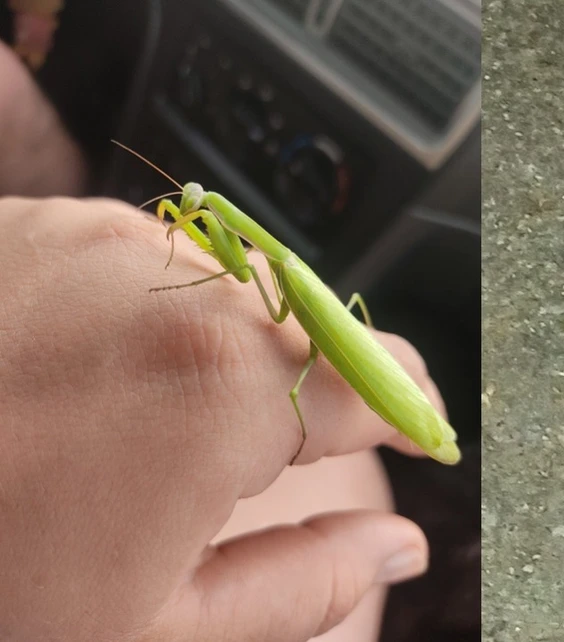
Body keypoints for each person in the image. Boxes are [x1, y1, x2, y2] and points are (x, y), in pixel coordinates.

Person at [0, 40, 443, 641]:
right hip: (352, 354)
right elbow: (240, 274)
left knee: (339, 445)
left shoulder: (276, 271)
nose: (187, 212)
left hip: (350, 363)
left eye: (194, 207)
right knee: (358, 456)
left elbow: (234, 276)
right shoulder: (273, 261)